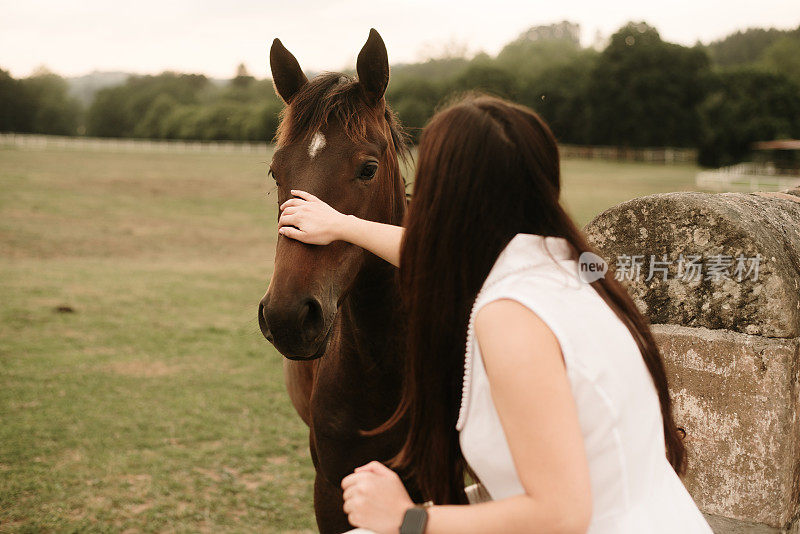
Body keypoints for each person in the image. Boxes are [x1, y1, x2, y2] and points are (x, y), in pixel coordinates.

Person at [276, 95, 712, 534]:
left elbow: (562, 514)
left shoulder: (511, 317)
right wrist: (342, 224)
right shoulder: (573, 269)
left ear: (447, 194)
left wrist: (407, 519)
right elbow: (436, 257)